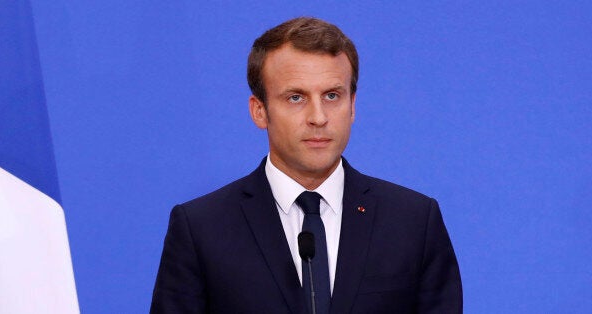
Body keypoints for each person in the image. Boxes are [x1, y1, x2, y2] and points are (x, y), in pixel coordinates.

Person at [150, 17, 462, 313]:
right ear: (259, 111)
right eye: (296, 98)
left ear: (352, 106)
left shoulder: (413, 222)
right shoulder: (201, 228)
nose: (318, 117)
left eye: (331, 95)